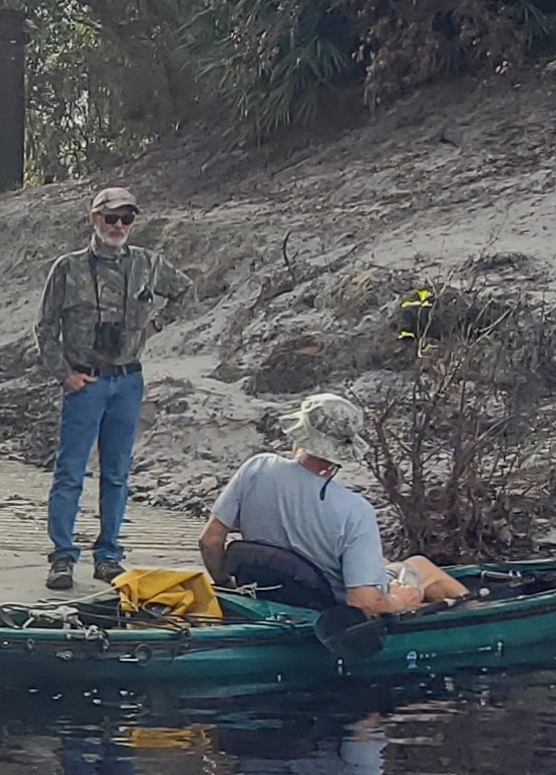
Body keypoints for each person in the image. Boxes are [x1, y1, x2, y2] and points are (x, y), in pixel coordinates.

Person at [34, 186, 188, 591]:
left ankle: (109, 555)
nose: (118, 226)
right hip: (85, 381)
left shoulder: (148, 265)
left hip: (127, 380)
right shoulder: (67, 269)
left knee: (117, 474)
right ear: (94, 219)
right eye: (111, 217)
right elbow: (45, 327)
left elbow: (186, 290)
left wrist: (155, 326)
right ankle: (63, 557)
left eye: (126, 218)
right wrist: (63, 373)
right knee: (70, 472)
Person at [197, 394, 468, 621]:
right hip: (327, 605)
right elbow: (363, 602)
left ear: (300, 436)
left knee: (384, 563)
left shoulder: (256, 468)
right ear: (337, 457)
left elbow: (210, 541)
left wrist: (226, 585)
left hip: (269, 590)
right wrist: (399, 601)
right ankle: (476, 614)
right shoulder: (355, 511)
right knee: (419, 566)